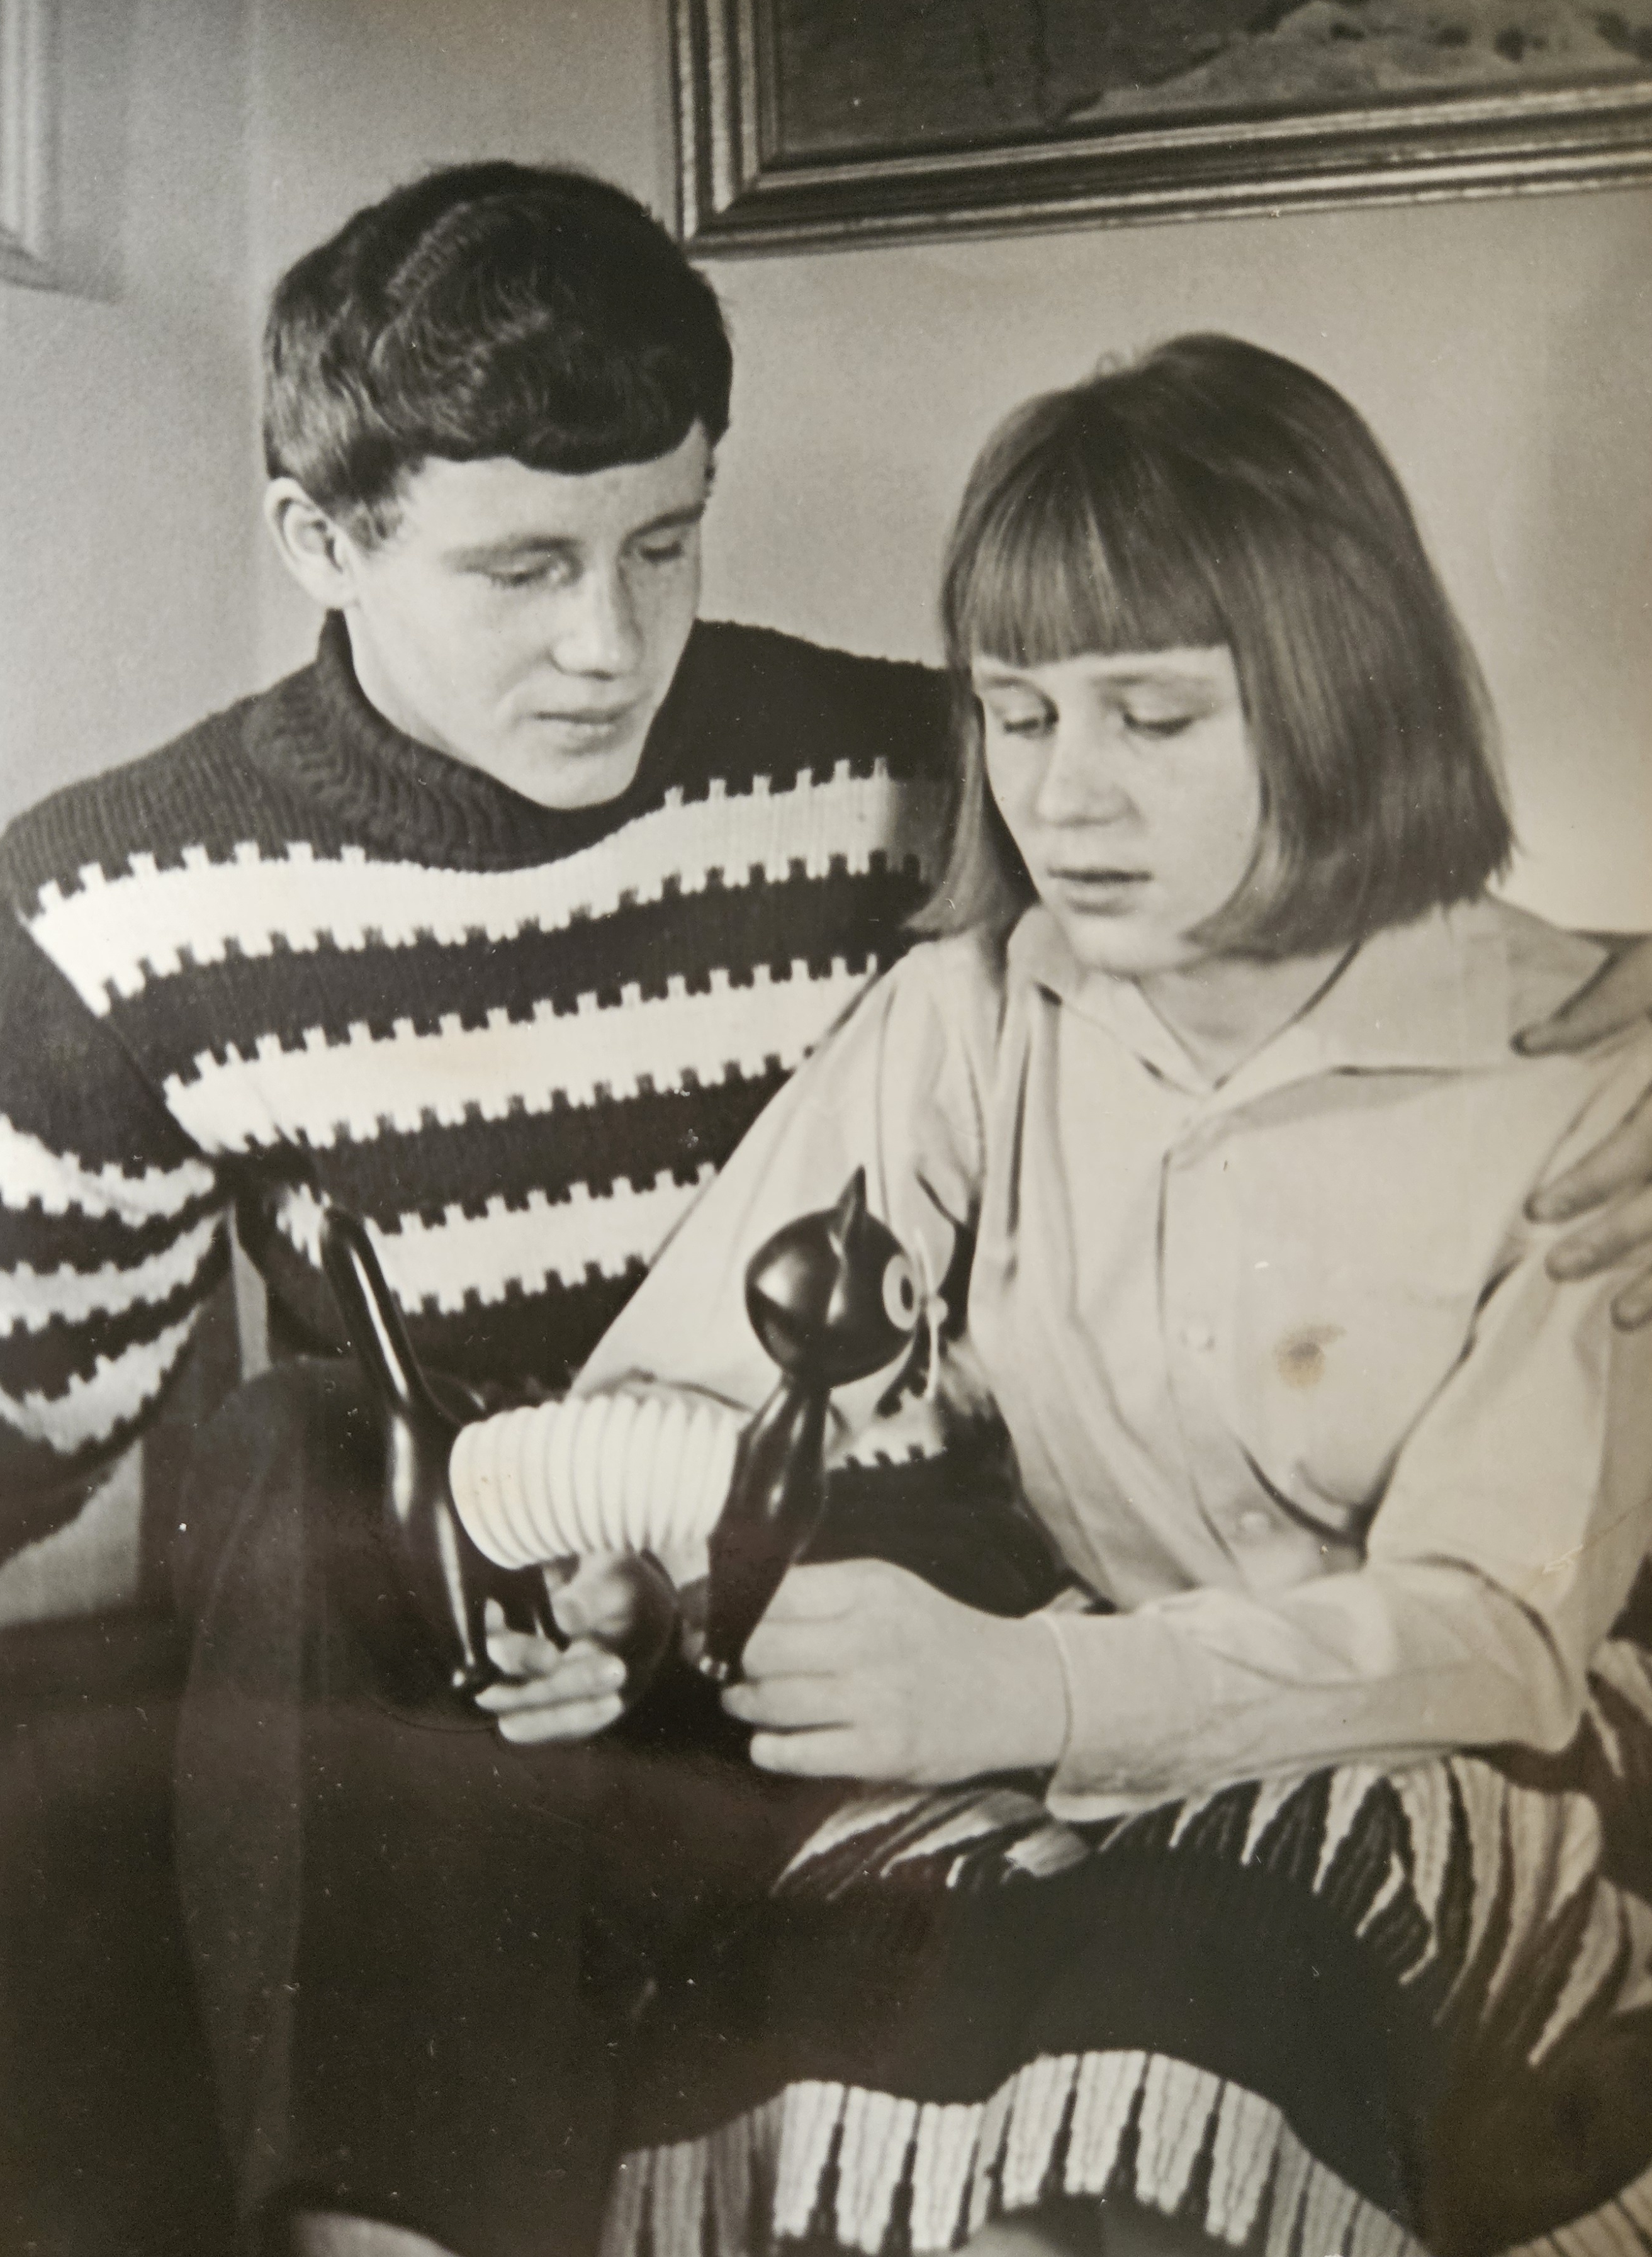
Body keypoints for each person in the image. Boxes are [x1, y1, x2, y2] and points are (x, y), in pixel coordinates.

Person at [0, 167, 1649, 2257]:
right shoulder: (124, 897)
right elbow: (26, 1404)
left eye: (661, 545)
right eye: (521, 569)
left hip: (916, 1609)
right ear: (321, 541)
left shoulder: (908, 771)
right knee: (296, 1452)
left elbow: (1324, 869)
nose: (609, 647)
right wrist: (590, 1567)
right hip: (530, 1613)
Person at [563, 335, 1652, 2257]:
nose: (1067, 795)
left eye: (1154, 717)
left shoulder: (1587, 1075)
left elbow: (1494, 1633)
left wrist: (1029, 1687)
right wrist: (620, 1552)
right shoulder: (976, 1011)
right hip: (1091, 1752)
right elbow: (676, 1387)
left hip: (1469, 1779)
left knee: (1184, 2004)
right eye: (1020, 714)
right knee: (822, 2009)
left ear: (1336, 696)